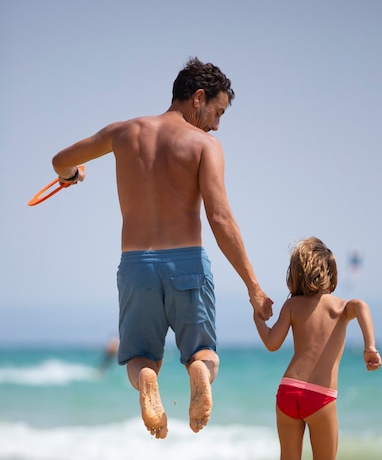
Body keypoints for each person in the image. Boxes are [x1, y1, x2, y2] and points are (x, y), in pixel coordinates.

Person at [52, 57, 273, 440]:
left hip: (136, 266)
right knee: (204, 355)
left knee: (139, 358)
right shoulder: (205, 145)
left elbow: (59, 161)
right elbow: (220, 218)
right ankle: (199, 374)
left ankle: (149, 379)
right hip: (187, 263)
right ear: (198, 98)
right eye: (217, 112)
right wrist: (254, 286)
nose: (217, 124)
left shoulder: (123, 132)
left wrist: (74, 174)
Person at [253, 237, 381, 460]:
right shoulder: (340, 306)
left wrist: (257, 315)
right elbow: (362, 305)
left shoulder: (292, 307)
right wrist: (369, 345)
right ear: (331, 272)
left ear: (295, 273)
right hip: (320, 397)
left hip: (288, 390)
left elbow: (271, 343)